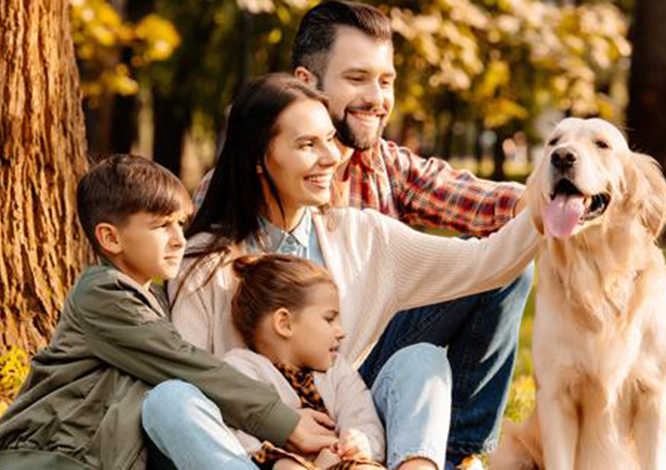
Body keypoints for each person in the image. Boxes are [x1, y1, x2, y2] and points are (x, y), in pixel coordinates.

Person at [199, 3, 537, 466]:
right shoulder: (238, 192)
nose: (377, 97)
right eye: (357, 79)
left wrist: (550, 200)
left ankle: (456, 453)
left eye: (386, 80)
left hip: (361, 356)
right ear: (308, 82)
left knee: (494, 281)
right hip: (270, 382)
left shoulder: (383, 165)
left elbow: (472, 199)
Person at [0, 155, 336, 470]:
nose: (179, 239)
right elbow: (183, 360)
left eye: (179, 224)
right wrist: (283, 422)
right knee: (176, 396)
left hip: (113, 455)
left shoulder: (152, 296)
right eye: (160, 226)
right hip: (60, 457)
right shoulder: (103, 293)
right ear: (111, 238)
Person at [222, 254, 386, 470]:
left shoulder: (337, 370)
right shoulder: (241, 369)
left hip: (341, 461)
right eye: (329, 319)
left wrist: (360, 442)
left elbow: (363, 417)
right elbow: (237, 436)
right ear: (285, 323)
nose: (341, 332)